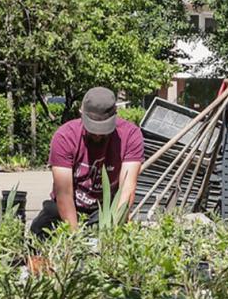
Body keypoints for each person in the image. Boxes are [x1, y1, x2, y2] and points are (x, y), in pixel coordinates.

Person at [30, 87, 143, 238]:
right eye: (92, 127)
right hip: (68, 207)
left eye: (103, 128)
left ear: (115, 116)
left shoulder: (130, 135)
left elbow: (127, 190)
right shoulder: (65, 136)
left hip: (103, 210)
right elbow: (63, 193)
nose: (97, 133)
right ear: (81, 113)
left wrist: (113, 233)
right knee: (39, 233)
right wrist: (74, 240)